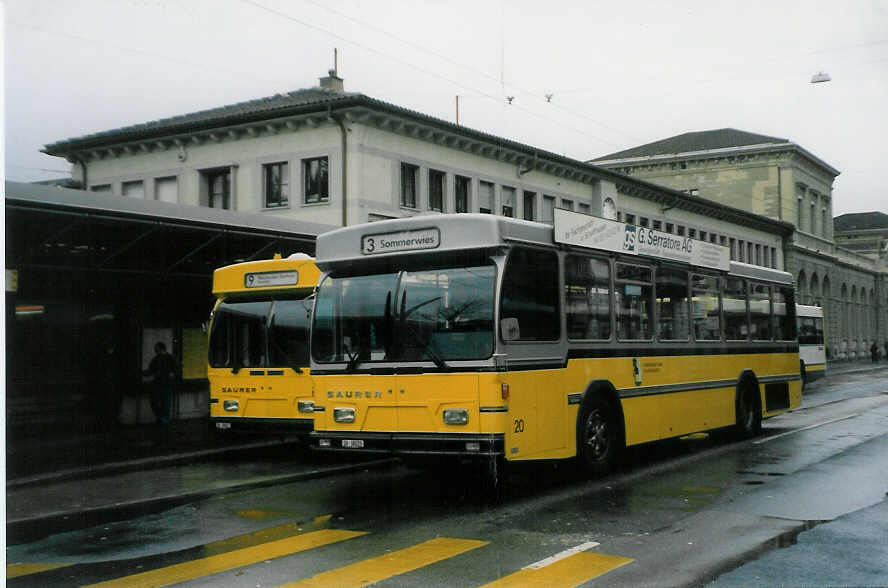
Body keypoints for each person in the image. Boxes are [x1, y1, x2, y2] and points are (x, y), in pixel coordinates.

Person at [144, 342, 178, 425]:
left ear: (160, 349)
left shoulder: (159, 359)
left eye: (156, 349)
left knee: (161, 402)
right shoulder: (168, 358)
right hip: (164, 383)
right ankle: (163, 419)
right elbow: (176, 369)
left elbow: (151, 370)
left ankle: (162, 418)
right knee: (163, 402)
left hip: (162, 383)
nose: (155, 350)